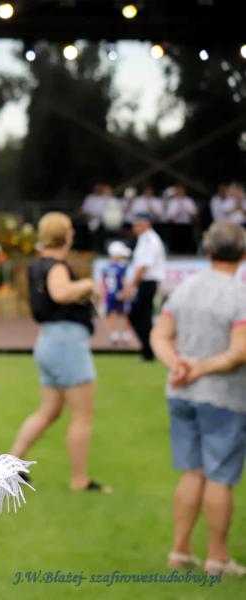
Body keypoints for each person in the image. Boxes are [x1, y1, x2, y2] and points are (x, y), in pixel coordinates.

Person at [150, 222, 246, 576]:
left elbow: (160, 335)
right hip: (223, 397)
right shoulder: (239, 296)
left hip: (181, 392)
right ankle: (217, 557)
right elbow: (239, 351)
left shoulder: (185, 287)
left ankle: (180, 550)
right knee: (220, 477)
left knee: (193, 472)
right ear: (243, 254)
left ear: (207, 252)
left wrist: (176, 364)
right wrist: (199, 368)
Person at [9, 212, 110, 492]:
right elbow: (60, 293)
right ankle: (80, 480)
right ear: (65, 236)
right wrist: (87, 285)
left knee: (49, 410)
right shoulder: (56, 267)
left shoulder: (37, 265)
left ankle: (11, 464)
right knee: (82, 415)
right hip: (67, 344)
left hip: (48, 342)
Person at [118, 213, 166, 361]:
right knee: (141, 317)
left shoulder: (150, 240)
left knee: (140, 316)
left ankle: (149, 350)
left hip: (147, 283)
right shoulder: (144, 239)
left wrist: (131, 287)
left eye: (138, 224)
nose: (135, 228)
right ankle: (148, 350)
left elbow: (143, 267)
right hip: (144, 283)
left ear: (147, 224)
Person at [102, 241, 133, 345]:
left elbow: (103, 284)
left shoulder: (106, 268)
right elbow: (124, 281)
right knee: (124, 313)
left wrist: (103, 296)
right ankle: (126, 333)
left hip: (110, 295)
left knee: (113, 313)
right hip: (121, 293)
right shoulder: (121, 267)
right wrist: (127, 291)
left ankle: (113, 334)